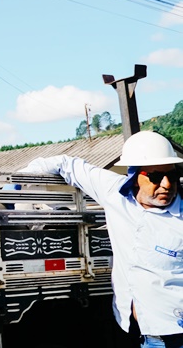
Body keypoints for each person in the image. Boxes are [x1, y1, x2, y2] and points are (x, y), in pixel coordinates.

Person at [20, 131, 183, 348]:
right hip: (137, 329)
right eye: (155, 177)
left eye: (171, 175)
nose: (166, 184)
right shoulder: (114, 193)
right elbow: (67, 164)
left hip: (175, 333)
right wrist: (19, 180)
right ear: (134, 176)